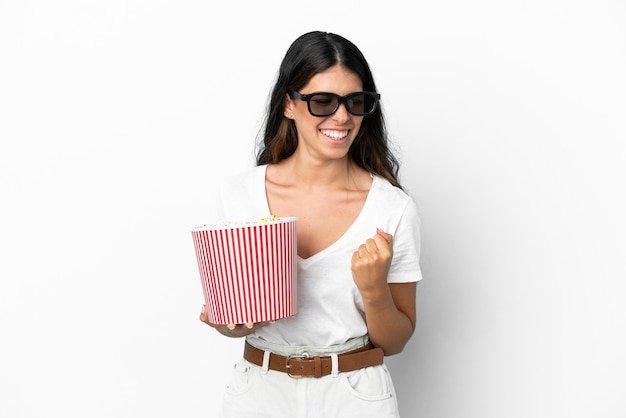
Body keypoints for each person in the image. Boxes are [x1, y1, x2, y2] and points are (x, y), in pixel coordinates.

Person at [199, 30, 422, 417]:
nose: (342, 116)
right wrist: (229, 323)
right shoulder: (240, 194)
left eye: (356, 102)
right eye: (322, 101)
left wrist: (373, 291)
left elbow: (396, 340)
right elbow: (235, 324)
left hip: (354, 396)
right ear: (289, 104)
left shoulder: (392, 208)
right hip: (259, 392)